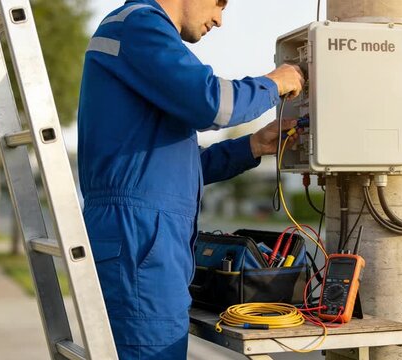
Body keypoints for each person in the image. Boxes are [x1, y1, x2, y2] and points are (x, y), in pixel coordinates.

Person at [77, 0, 304, 358]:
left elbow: (179, 169)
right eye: (219, 3)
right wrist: (276, 82)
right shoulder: (140, 26)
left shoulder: (134, 34)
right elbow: (214, 103)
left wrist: (253, 146)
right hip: (140, 240)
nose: (219, 19)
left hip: (142, 237)